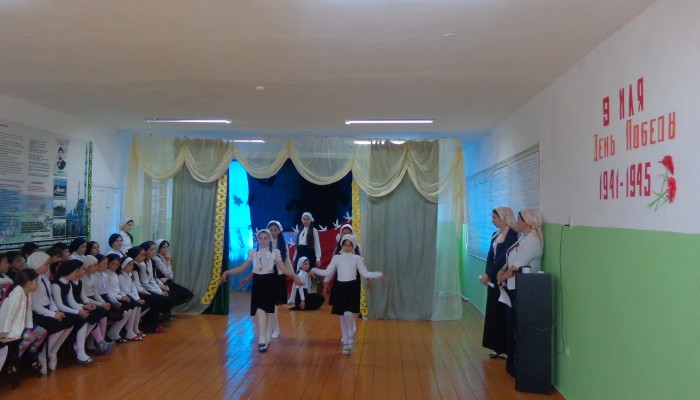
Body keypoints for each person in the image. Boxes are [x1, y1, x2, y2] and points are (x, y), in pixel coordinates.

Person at [219, 229, 301, 353]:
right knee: (259, 310)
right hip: (258, 283)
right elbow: (242, 267)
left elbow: (283, 269)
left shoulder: (275, 252)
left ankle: (267, 336)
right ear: (257, 239)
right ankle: (262, 338)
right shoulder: (253, 252)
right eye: (260, 238)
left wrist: (294, 276)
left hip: (270, 282)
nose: (262, 240)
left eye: (265, 238)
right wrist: (227, 272)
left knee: (268, 310)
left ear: (270, 239)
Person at [310, 234, 387, 355]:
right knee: (342, 316)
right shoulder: (337, 257)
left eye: (349, 245)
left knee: (348, 313)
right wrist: (313, 270)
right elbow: (327, 272)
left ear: (353, 246)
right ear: (342, 245)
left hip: (351, 288)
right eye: (345, 244)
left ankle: (350, 335)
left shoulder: (357, 258)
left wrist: (378, 274)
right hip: (340, 288)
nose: (347, 247)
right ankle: (345, 342)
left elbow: (365, 273)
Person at [496, 209, 544, 377]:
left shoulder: (532, 241)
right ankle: (511, 364)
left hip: (523, 289)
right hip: (513, 286)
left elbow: (518, 266)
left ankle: (518, 366)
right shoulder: (524, 238)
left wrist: (502, 277)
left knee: (517, 327)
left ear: (527, 222)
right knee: (511, 326)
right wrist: (502, 271)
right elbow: (511, 260)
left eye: (519, 219)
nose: (517, 221)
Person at [27, 251, 75, 374]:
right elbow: (35, 305)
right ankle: (43, 354)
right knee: (56, 325)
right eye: (46, 264)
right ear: (37, 264)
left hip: (48, 309)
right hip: (36, 313)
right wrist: (52, 314)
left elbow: (50, 298)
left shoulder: (44, 278)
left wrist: (56, 310)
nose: (48, 267)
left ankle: (53, 351)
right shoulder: (31, 281)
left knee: (69, 322)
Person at [480, 207, 518, 359]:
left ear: (503, 218)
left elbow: (503, 258)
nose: (492, 221)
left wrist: (491, 273)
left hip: (503, 277)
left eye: (494, 217)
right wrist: (488, 274)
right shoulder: (495, 235)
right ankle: (496, 346)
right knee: (493, 311)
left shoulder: (512, 235)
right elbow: (491, 256)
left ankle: (506, 348)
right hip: (493, 278)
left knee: (503, 312)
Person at [0, 268, 47, 375]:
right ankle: (14, 360)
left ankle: (28, 356)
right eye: (36, 281)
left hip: (18, 325)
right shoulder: (17, 294)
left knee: (42, 332)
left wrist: (29, 327)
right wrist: (4, 331)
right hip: (6, 326)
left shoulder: (27, 292)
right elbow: (10, 315)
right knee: (31, 336)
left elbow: (28, 313)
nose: (38, 284)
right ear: (29, 283)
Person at [51, 259, 96, 365]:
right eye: (75, 271)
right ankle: (80, 352)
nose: (77, 273)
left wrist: (82, 310)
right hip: (60, 311)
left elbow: (71, 301)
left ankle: (79, 347)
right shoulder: (56, 285)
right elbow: (60, 305)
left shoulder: (68, 284)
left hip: (68, 309)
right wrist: (77, 312)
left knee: (90, 317)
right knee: (81, 320)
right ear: (69, 271)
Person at [153, 239, 194, 308]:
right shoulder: (157, 259)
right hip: (160, 282)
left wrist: (167, 277)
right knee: (175, 296)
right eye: (163, 247)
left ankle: (167, 309)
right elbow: (170, 274)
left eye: (167, 247)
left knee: (188, 294)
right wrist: (169, 261)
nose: (166, 249)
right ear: (158, 248)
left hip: (166, 280)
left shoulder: (165, 257)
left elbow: (169, 274)